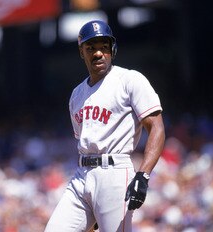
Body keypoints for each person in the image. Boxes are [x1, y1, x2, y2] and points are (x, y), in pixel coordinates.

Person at [44, 20, 165, 232]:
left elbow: (156, 128)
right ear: (81, 52)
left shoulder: (129, 79)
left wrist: (143, 175)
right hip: (82, 174)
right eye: (91, 48)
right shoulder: (76, 95)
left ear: (112, 49)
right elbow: (81, 138)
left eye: (104, 47)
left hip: (115, 172)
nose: (98, 53)